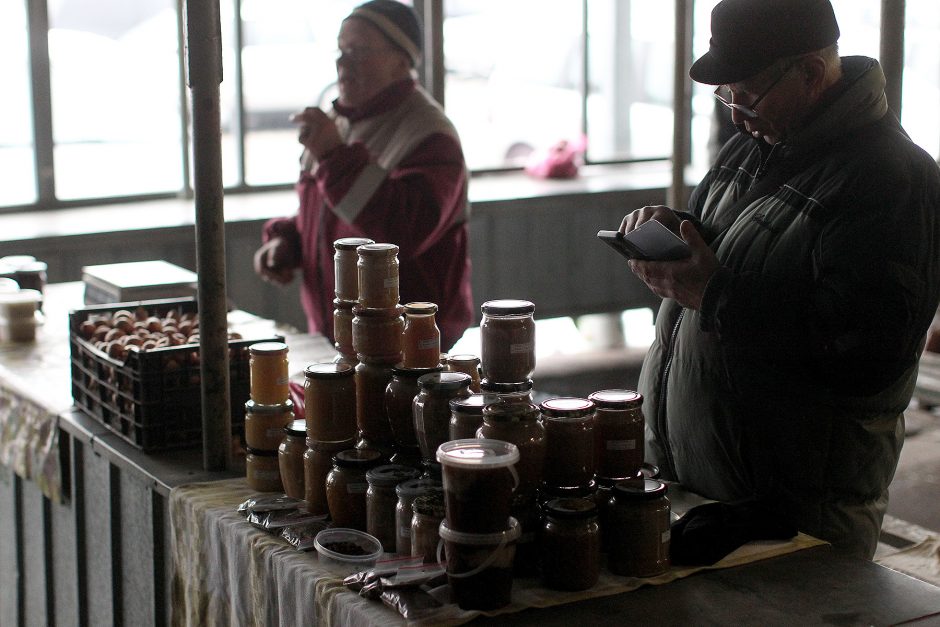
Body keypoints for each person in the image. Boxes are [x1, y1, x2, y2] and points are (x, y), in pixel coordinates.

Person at [619, 0, 940, 559]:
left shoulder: (892, 179)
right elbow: (745, 249)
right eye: (726, 99)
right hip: (708, 501)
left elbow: (867, 354)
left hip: (797, 521)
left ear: (811, 74)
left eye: (746, 96)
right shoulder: (752, 145)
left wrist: (713, 293)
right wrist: (678, 233)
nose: (736, 116)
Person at [254, 0, 472, 351]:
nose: (342, 62)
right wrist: (290, 241)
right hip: (339, 336)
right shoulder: (339, 123)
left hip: (407, 346)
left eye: (358, 51)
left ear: (401, 62)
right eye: (341, 50)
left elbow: (402, 229)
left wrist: (334, 157)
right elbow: (329, 213)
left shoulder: (429, 135)